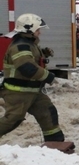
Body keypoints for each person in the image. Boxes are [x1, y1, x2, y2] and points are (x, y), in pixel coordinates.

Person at [0, 13, 63, 142]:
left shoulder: (29, 44)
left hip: (32, 91)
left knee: (48, 113)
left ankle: (55, 144)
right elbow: (27, 68)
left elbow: (30, 58)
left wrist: (43, 54)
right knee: (13, 120)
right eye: (37, 29)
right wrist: (49, 77)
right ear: (29, 30)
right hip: (17, 92)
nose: (39, 32)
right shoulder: (20, 45)